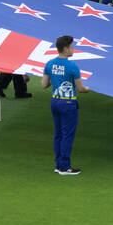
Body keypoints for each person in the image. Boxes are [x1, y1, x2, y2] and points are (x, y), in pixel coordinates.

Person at [41, 35, 88, 175]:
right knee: (67, 135)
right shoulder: (73, 67)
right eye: (72, 47)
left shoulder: (49, 64)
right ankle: (64, 167)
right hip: (68, 103)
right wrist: (87, 89)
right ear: (66, 48)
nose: (73, 49)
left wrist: (55, 79)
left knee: (59, 134)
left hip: (55, 101)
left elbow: (44, 85)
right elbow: (80, 89)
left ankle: (58, 164)